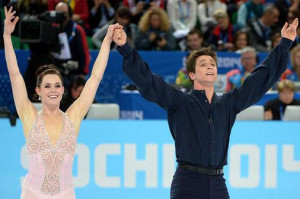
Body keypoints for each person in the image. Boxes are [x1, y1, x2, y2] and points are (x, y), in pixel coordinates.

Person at [113, 13, 298, 198]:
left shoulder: (228, 103)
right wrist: (125, 48)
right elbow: (147, 81)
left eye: (212, 64)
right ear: (192, 75)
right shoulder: (179, 101)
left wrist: (285, 44)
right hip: (187, 183)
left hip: (218, 184)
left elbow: (260, 80)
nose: (209, 66)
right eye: (203, 64)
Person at [4, 6, 122, 198]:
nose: (53, 90)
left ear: (63, 90)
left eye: (57, 86)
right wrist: (7, 37)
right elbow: (15, 75)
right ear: (38, 91)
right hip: (33, 193)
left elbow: (95, 78)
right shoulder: (29, 115)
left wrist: (106, 41)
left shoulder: (73, 118)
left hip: (65, 194)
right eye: (48, 86)